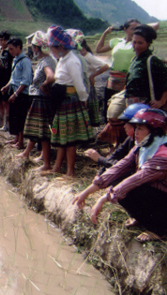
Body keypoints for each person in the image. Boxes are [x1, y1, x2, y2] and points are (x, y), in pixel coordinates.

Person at [74, 108, 167, 242]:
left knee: (129, 189)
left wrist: (102, 199)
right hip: (156, 194)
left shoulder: (163, 155)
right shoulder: (142, 146)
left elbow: (136, 179)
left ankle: (159, 230)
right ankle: (142, 218)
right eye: (136, 128)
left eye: (140, 129)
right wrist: (86, 192)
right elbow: (119, 167)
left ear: (154, 131)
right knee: (119, 180)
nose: (136, 133)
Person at [95, 19, 159, 145]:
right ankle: (116, 143)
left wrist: (140, 29)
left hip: (132, 84)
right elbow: (99, 49)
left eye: (137, 29)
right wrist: (106, 33)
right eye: (132, 28)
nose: (136, 44)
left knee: (129, 116)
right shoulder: (117, 42)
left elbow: (155, 25)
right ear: (124, 30)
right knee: (111, 112)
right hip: (114, 81)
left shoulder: (141, 50)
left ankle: (127, 143)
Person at [46, 25, 94, 178]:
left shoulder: (72, 61)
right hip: (62, 100)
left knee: (70, 139)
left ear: (60, 46)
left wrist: (83, 99)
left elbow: (79, 84)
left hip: (70, 100)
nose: (51, 51)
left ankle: (70, 172)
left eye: (52, 48)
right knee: (63, 136)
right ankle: (57, 167)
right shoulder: (62, 59)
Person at [15, 31, 56, 171]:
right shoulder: (47, 60)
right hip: (40, 99)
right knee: (36, 129)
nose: (32, 50)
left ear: (37, 48)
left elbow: (50, 77)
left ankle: (46, 164)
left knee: (43, 131)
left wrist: (44, 86)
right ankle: (31, 154)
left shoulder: (45, 62)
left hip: (41, 99)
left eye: (33, 47)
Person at [84, 103, 149, 175]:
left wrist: (100, 159)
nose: (124, 126)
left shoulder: (147, 145)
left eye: (126, 123)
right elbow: (115, 156)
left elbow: (126, 167)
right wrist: (100, 175)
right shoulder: (131, 139)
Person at [68, 29, 110, 127]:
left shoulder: (87, 56)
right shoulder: (78, 56)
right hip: (81, 86)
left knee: (86, 113)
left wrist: (92, 75)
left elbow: (105, 66)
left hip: (87, 87)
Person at [0, 37, 33, 149]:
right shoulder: (15, 59)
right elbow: (13, 78)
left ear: (19, 47)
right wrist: (7, 86)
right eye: (9, 49)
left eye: (12, 49)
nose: (10, 51)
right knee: (14, 117)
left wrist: (16, 94)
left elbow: (25, 81)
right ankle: (16, 139)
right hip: (14, 91)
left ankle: (21, 142)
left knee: (21, 117)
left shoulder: (25, 61)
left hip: (22, 94)